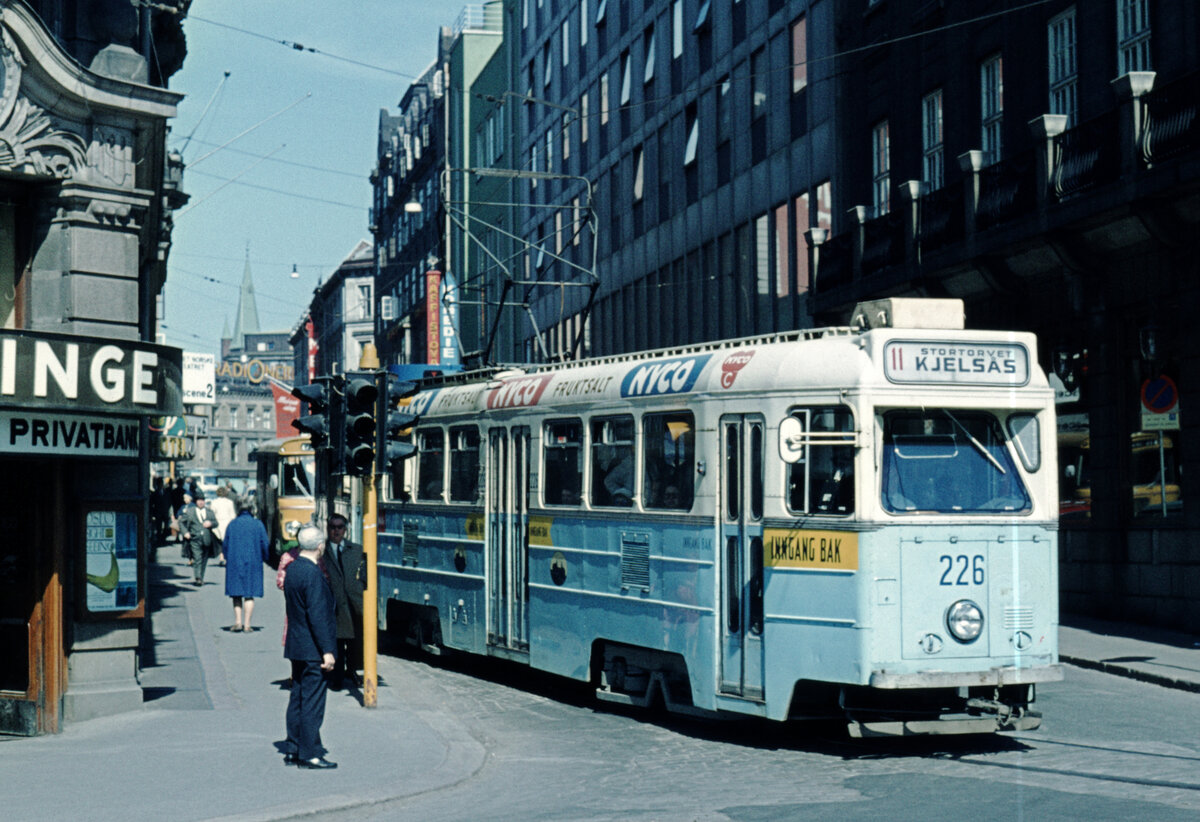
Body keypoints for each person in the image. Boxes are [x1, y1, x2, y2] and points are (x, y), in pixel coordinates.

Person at [282, 524, 337, 769]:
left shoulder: (293, 569)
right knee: (313, 702)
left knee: (297, 698)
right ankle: (310, 753)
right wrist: (327, 650)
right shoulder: (313, 574)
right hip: (313, 647)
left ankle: (293, 748)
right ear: (320, 546)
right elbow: (318, 615)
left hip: (296, 644)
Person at [324, 514, 365, 690]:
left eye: (340, 527)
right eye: (332, 527)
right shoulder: (322, 551)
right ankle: (337, 676)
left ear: (345, 530)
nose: (336, 531)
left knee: (355, 642)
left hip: (353, 604)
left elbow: (364, 574)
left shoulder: (356, 550)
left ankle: (353, 670)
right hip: (334, 604)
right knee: (337, 642)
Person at [222, 501, 269, 632]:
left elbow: (225, 544)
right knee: (249, 593)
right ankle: (247, 624)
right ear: (252, 510)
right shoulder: (258, 524)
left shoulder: (232, 524)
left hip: (234, 561)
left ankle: (238, 622)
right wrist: (265, 557)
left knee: (236, 593)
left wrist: (227, 557)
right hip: (253, 562)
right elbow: (264, 543)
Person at [179, 493, 216, 586]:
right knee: (197, 558)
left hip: (207, 539)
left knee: (204, 559)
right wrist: (185, 532)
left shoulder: (209, 512)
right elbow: (181, 522)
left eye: (202, 500)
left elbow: (216, 522)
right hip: (194, 538)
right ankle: (198, 577)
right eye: (199, 500)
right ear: (196, 502)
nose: (201, 502)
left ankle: (201, 577)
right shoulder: (190, 511)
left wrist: (211, 523)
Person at [210, 486, 238, 567]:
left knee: (219, 542)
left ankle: (221, 557)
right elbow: (233, 515)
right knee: (227, 541)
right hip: (227, 523)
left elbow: (212, 514)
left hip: (218, 523)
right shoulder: (230, 502)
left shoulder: (214, 502)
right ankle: (227, 557)